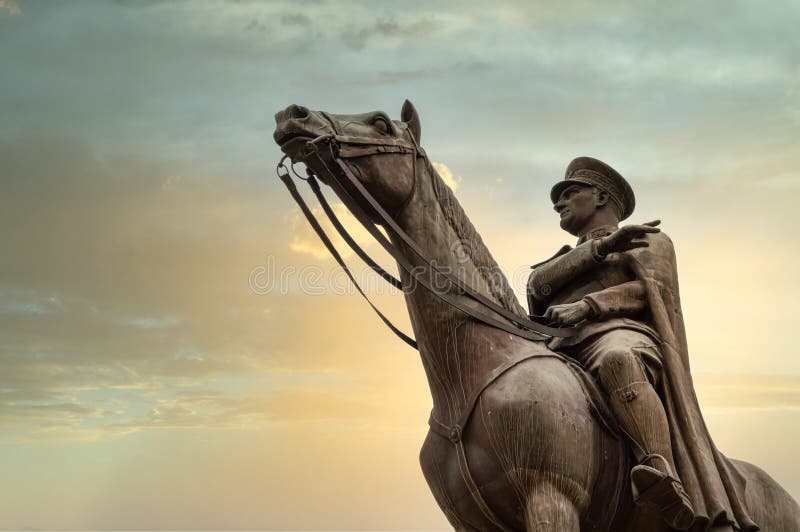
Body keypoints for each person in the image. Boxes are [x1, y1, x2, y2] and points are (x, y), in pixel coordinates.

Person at [527, 157, 757, 531]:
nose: (558, 203)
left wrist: (588, 305)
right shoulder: (561, 261)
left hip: (621, 335)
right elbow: (537, 287)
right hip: (560, 347)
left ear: (600, 196)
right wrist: (598, 250)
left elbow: (653, 292)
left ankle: (659, 471)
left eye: (569, 193)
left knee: (618, 357)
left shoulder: (649, 239)